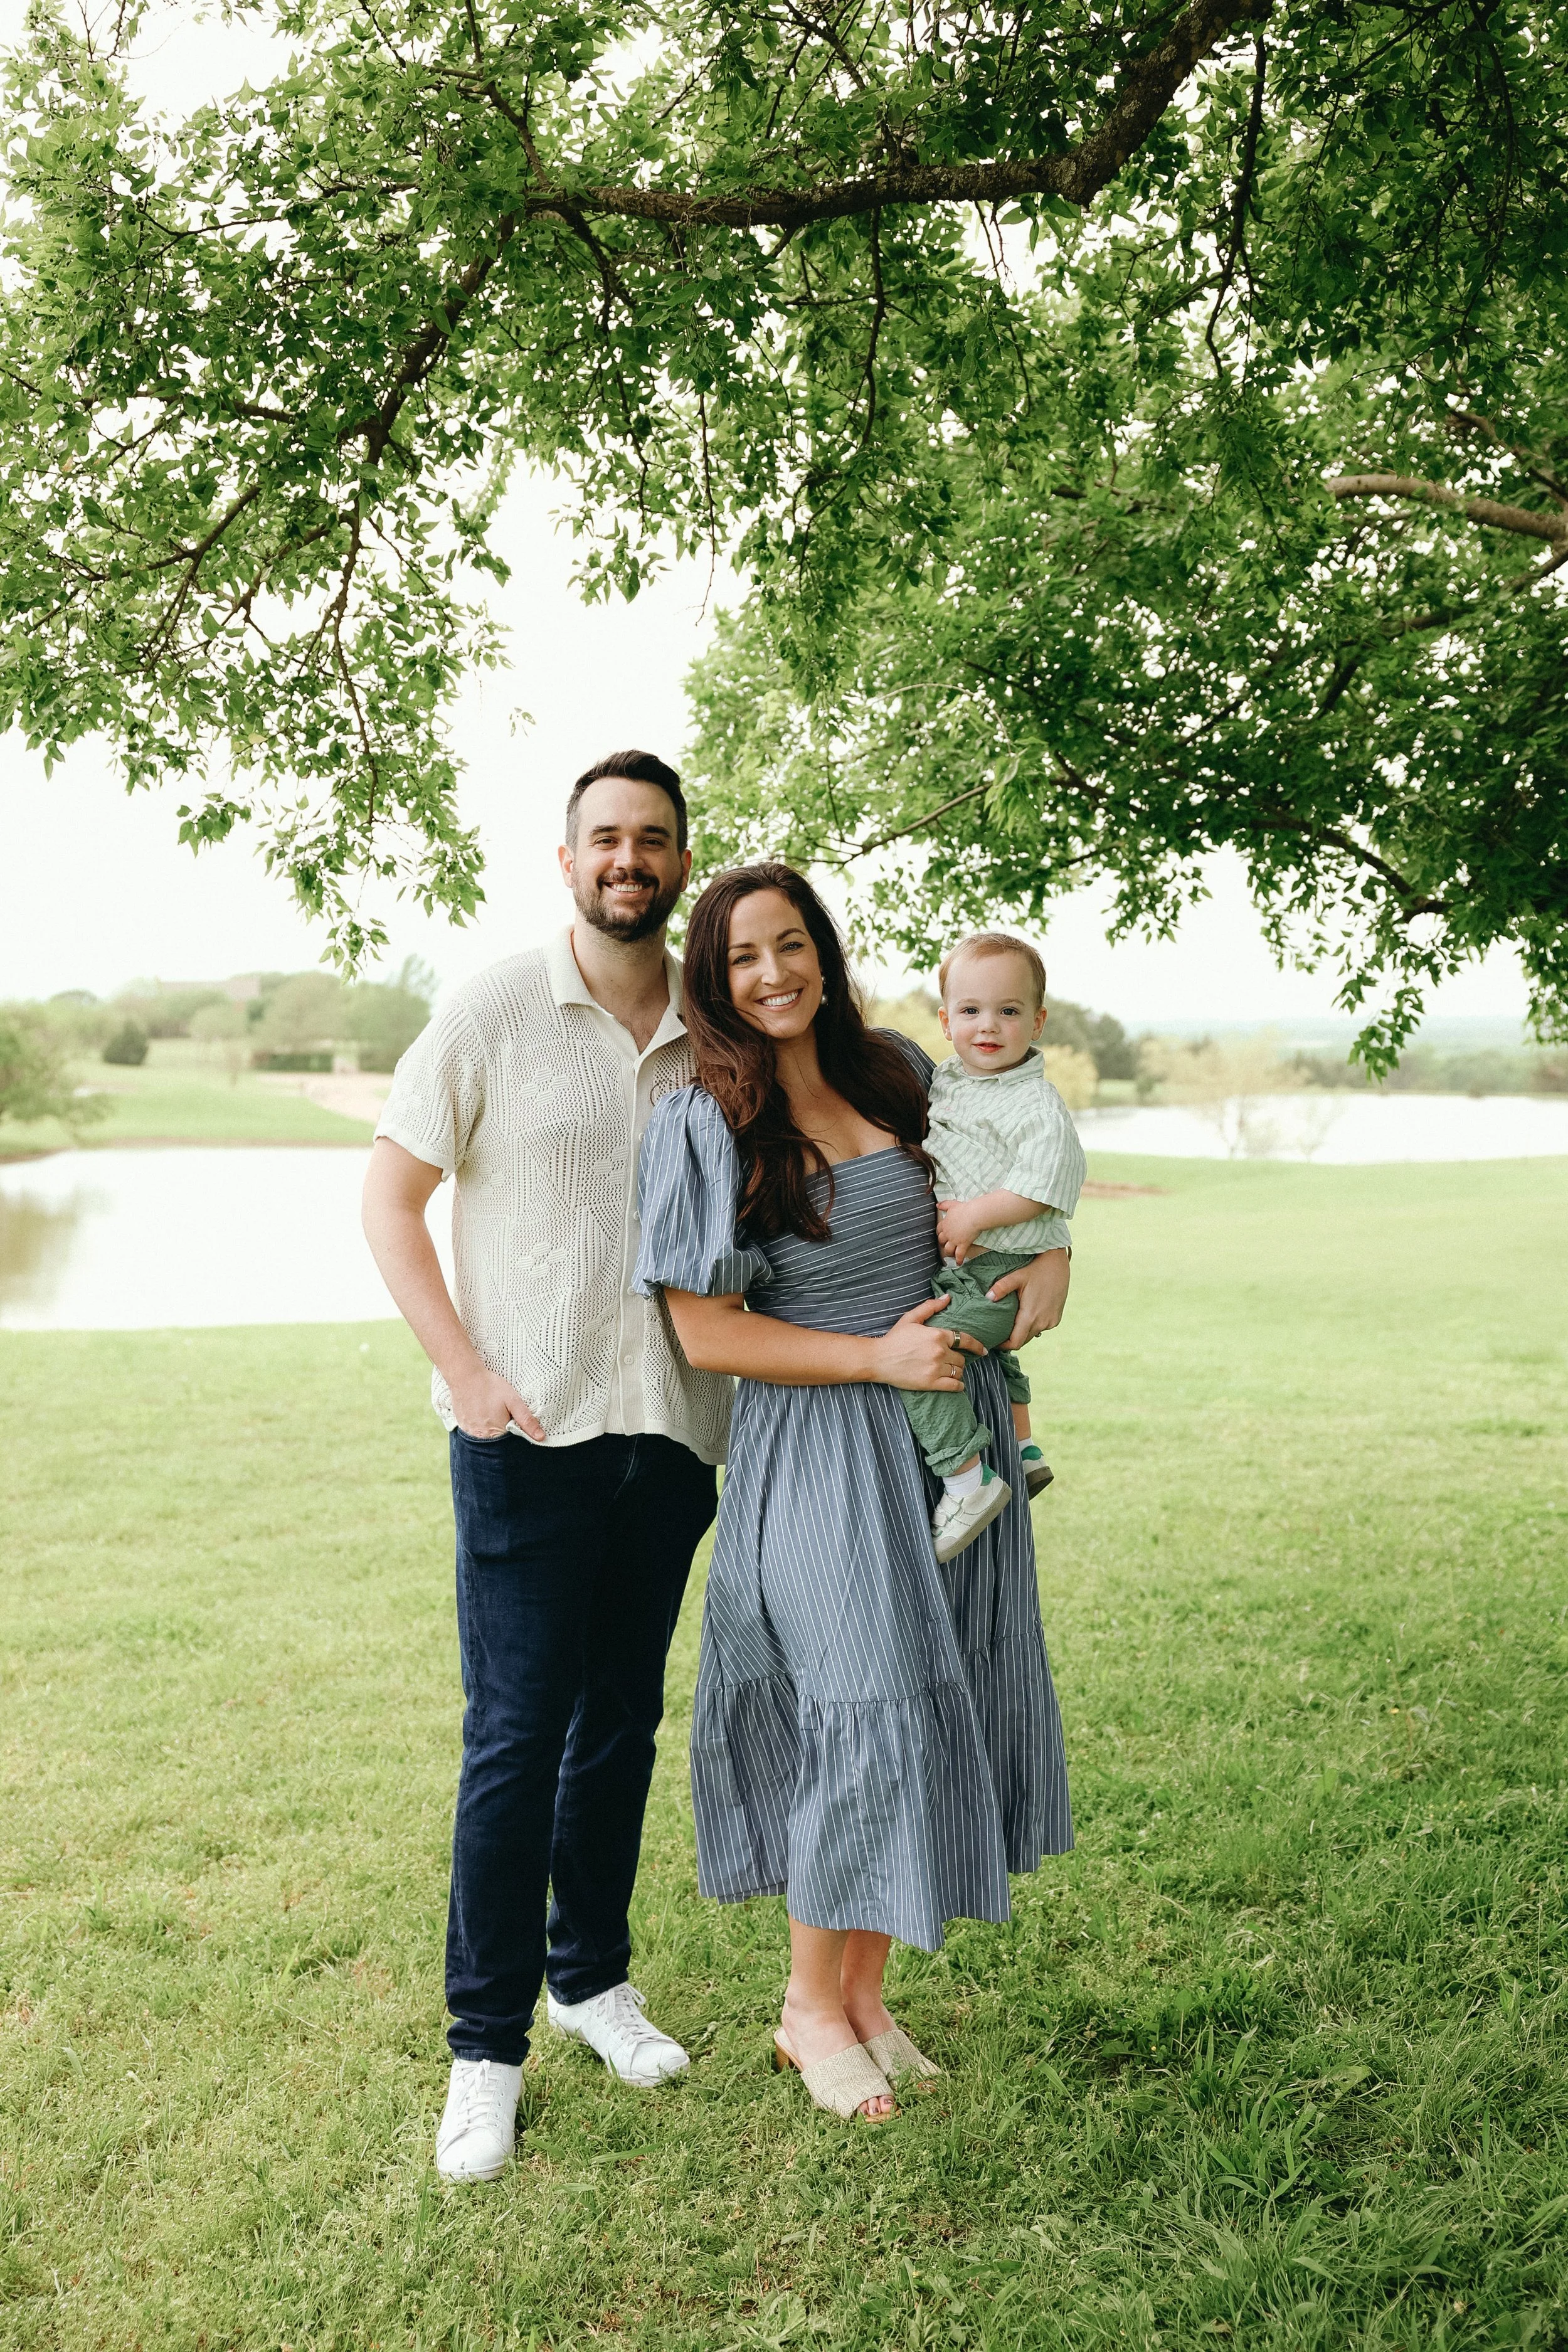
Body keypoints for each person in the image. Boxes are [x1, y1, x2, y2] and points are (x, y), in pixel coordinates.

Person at [633, 863, 1074, 2124]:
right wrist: (876, 1355)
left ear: (822, 953)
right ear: (713, 983)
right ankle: (804, 2011)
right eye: (740, 958)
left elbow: (1011, 1165)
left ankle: (868, 2000)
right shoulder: (702, 1121)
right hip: (822, 1453)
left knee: (937, 1704)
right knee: (859, 1715)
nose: (771, 973)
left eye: (791, 945)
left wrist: (1054, 1259)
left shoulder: (893, 1070)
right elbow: (706, 1334)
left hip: (951, 1445)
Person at [361, 751, 731, 2185]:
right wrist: (464, 1368)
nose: (627, 858)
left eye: (652, 838)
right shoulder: (501, 1003)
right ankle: (485, 2049)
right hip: (524, 1437)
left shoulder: (715, 1032)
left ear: (681, 859)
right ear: (567, 857)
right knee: (516, 1736)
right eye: (605, 838)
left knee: (619, 1723)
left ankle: (590, 1980)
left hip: (673, 1433)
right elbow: (391, 1194)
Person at [898, 931, 1086, 1562]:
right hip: (976, 1267)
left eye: (1008, 1012)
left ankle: (964, 1477)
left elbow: (1045, 1184)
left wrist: (975, 1216)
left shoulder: (1035, 1102)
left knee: (925, 1357)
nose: (988, 1026)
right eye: (971, 1011)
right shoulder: (949, 1081)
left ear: (1036, 1022)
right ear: (945, 1019)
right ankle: (1024, 1448)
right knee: (1000, 1361)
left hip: (999, 1267)